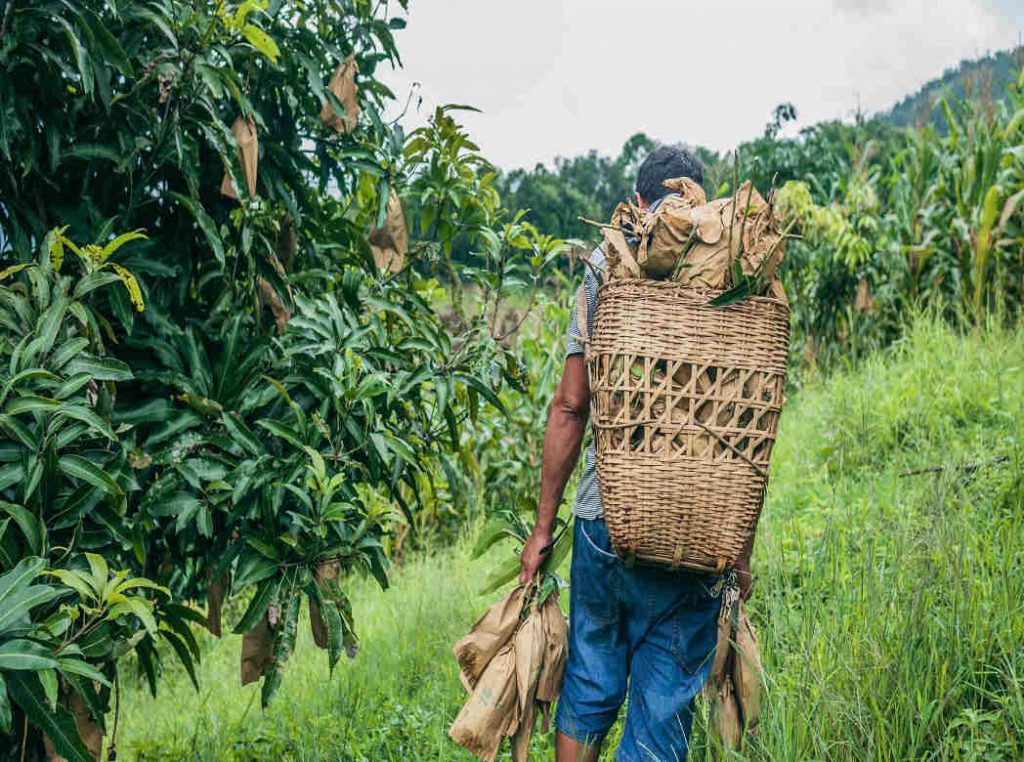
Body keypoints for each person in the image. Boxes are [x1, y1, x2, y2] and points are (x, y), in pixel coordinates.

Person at [519, 145, 753, 762]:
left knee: (591, 683)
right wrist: (742, 553)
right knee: (661, 711)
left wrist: (543, 529)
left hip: (606, 521)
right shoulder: (735, 273)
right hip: (701, 535)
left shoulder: (609, 264)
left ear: (640, 205)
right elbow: (749, 432)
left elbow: (571, 407)